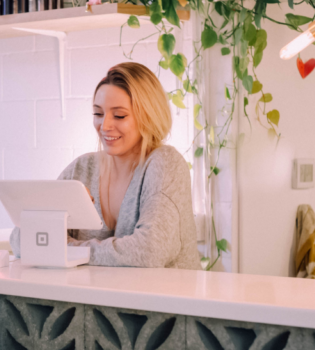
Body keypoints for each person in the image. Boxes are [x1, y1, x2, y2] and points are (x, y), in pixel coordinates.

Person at [11, 62, 201, 269]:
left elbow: (149, 251)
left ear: (149, 115)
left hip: (164, 299)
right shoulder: (82, 169)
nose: (105, 126)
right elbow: (21, 241)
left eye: (119, 115)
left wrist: (69, 250)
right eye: (98, 114)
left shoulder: (165, 164)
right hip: (98, 299)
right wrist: (58, 212)